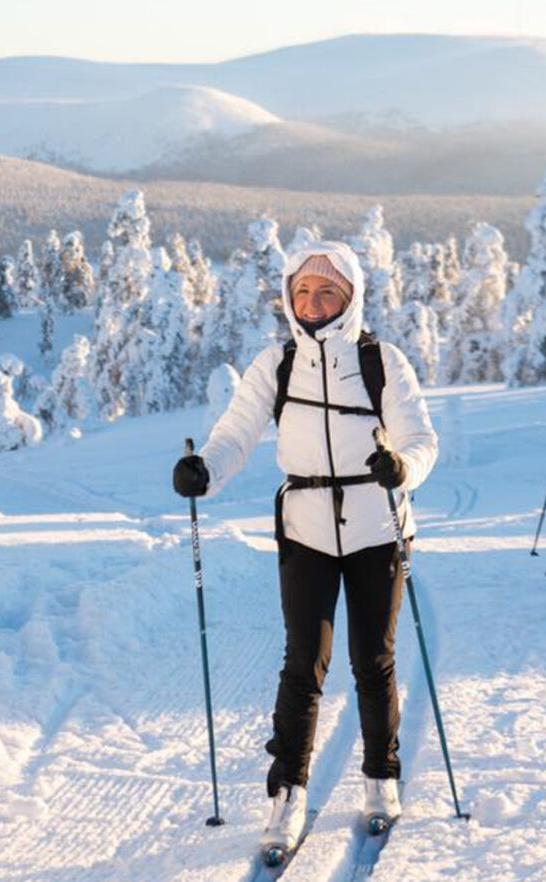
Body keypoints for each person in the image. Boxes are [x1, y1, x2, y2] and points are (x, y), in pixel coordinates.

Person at [172, 242, 438, 853]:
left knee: (373, 659)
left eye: (327, 292)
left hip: (376, 526)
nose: (313, 302)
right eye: (302, 292)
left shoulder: (382, 361)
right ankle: (286, 793)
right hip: (307, 531)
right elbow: (235, 434)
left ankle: (380, 779)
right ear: (290, 300)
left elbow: (421, 438)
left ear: (349, 298)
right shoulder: (277, 364)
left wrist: (402, 466)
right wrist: (204, 472)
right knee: (304, 664)